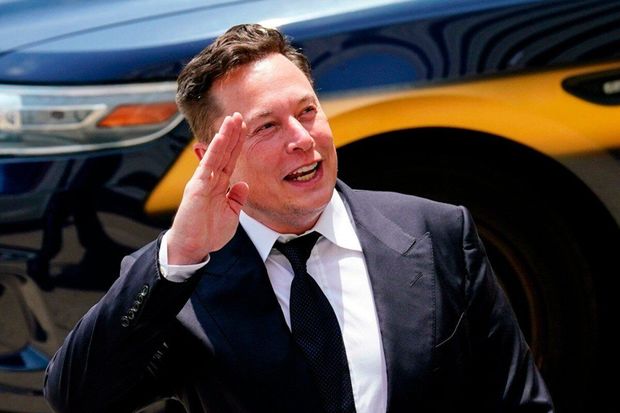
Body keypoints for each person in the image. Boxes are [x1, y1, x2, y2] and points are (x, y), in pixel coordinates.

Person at [43, 24, 554, 413]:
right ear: (211, 159)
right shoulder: (182, 282)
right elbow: (77, 397)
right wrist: (181, 253)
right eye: (266, 126)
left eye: (307, 111)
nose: (302, 139)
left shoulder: (437, 232)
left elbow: (520, 401)